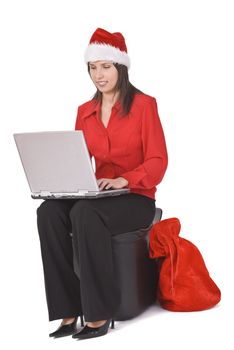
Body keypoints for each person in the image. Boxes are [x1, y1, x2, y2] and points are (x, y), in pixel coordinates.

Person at [36, 27, 168, 340]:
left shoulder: (144, 106)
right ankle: (69, 308)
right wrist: (64, 183)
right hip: (98, 196)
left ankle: (99, 314)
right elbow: (77, 160)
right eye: (93, 68)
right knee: (48, 212)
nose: (99, 75)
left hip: (135, 198)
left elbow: (158, 162)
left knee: (84, 213)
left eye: (105, 67)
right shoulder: (85, 112)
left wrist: (126, 177)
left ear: (120, 67)